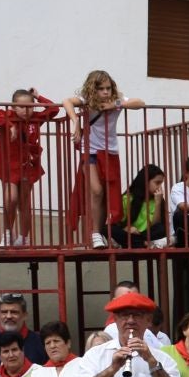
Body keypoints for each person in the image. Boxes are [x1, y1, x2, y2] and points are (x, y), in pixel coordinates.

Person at [65, 71, 144, 247]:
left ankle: (99, 233)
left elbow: (140, 103)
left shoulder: (116, 99)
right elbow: (67, 101)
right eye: (101, 89)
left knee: (109, 193)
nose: (106, 92)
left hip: (110, 152)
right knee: (97, 190)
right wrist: (75, 121)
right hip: (90, 150)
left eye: (108, 88)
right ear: (93, 89)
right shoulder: (87, 99)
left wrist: (115, 104)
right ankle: (94, 233)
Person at [0, 89, 61, 247]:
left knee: (24, 202)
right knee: (10, 198)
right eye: (22, 107)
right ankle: (7, 233)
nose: (27, 110)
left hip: (27, 165)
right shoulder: (7, 115)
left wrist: (38, 96)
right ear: (13, 106)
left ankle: (24, 237)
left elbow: (54, 109)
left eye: (30, 106)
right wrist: (10, 125)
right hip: (8, 165)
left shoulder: (35, 118)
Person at [0, 294, 48, 371]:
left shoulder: (41, 341)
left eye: (14, 312)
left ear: (25, 315)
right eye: (4, 312)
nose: (9, 316)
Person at [110, 165, 169, 249]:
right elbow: (117, 222)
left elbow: (156, 226)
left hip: (146, 235)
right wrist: (127, 228)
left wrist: (158, 203)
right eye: (157, 183)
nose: (160, 187)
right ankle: (144, 243)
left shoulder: (158, 200)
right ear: (145, 181)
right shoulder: (127, 198)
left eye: (161, 183)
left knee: (161, 229)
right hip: (129, 234)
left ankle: (139, 242)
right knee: (109, 230)